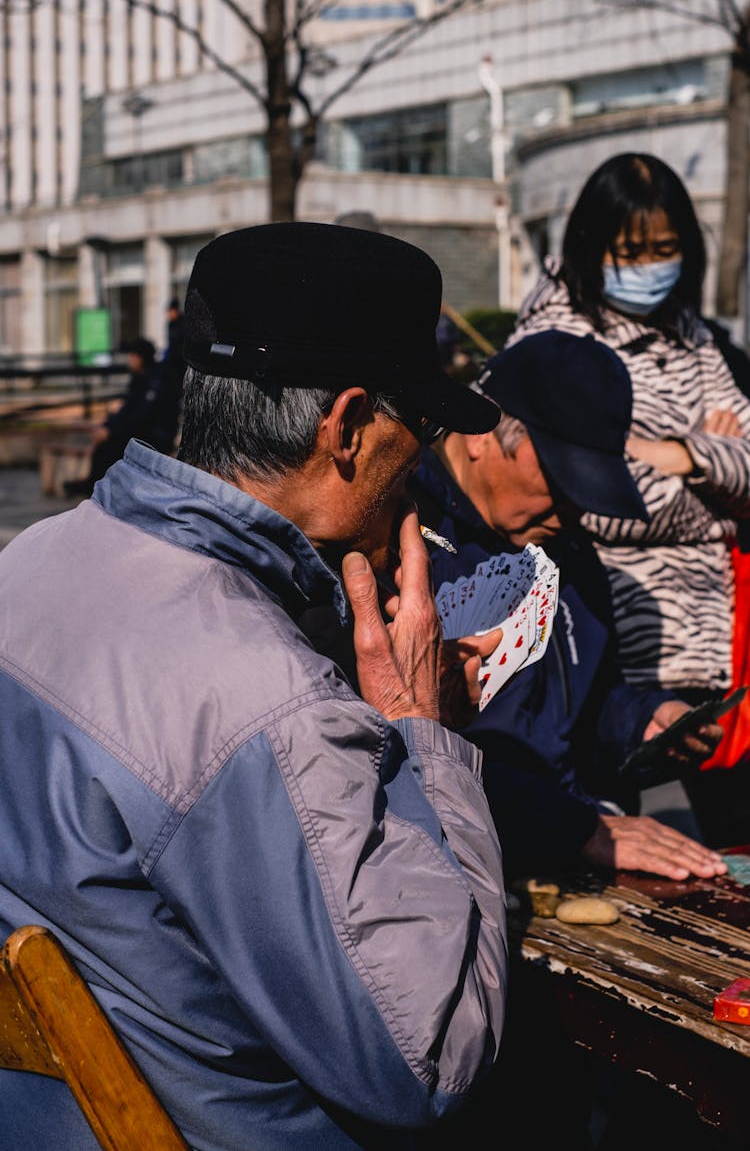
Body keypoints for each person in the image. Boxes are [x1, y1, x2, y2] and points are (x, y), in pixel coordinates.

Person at [0, 222, 507, 1150]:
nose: (425, 470)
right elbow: (431, 1061)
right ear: (348, 428)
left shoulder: (29, 563)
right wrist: (427, 739)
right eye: (421, 433)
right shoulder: (266, 705)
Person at [411, 330, 726, 882]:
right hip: (463, 867)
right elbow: (409, 753)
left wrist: (643, 721)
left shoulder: (564, 548)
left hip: (571, 842)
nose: (574, 511)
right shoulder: (403, 542)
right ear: (482, 432)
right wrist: (571, 827)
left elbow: (586, 696)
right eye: (561, 481)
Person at [510, 153, 750, 844]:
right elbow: (599, 498)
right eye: (631, 251)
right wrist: (716, 477)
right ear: (593, 246)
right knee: (607, 840)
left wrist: (678, 454)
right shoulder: (556, 339)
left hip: (708, 644)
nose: (649, 267)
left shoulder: (693, 333)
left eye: (666, 250)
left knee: (725, 848)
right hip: (610, 634)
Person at [64, 335, 181, 496]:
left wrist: (111, 431)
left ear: (141, 357)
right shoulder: (141, 378)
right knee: (106, 442)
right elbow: (127, 410)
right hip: (141, 430)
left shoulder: (157, 380)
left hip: (156, 435)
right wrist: (107, 426)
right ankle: (95, 484)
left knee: (111, 445)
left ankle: (98, 488)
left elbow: (142, 416)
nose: (129, 360)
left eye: (132, 356)